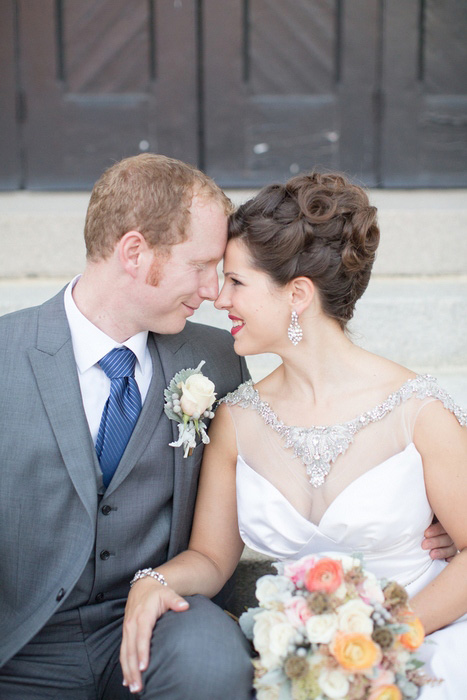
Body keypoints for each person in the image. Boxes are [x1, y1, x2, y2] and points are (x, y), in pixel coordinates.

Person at [120, 171, 467, 698]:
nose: (219, 298)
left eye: (236, 282)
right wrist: (156, 579)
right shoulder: (235, 420)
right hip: (304, 667)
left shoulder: (417, 412)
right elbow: (213, 561)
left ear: (298, 293)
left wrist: (382, 640)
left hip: (427, 645)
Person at [0, 154, 254, 699]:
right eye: (201, 265)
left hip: (162, 616)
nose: (214, 290)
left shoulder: (218, 359)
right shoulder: (5, 355)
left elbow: (264, 465)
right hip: (23, 641)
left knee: (212, 666)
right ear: (135, 252)